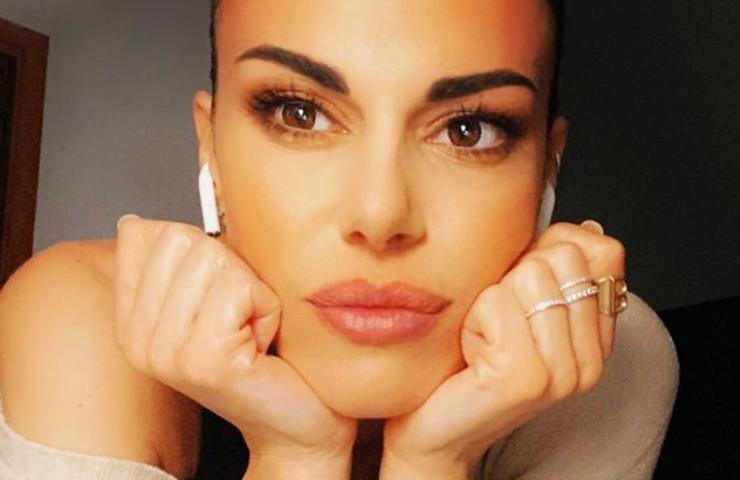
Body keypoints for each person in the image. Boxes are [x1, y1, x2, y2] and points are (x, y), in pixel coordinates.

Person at [0, 1, 679, 479]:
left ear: (546, 169)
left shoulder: (607, 355)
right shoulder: (83, 317)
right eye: (300, 113)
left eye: (467, 129)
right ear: (211, 147)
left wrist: (433, 463)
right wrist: (293, 458)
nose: (380, 215)